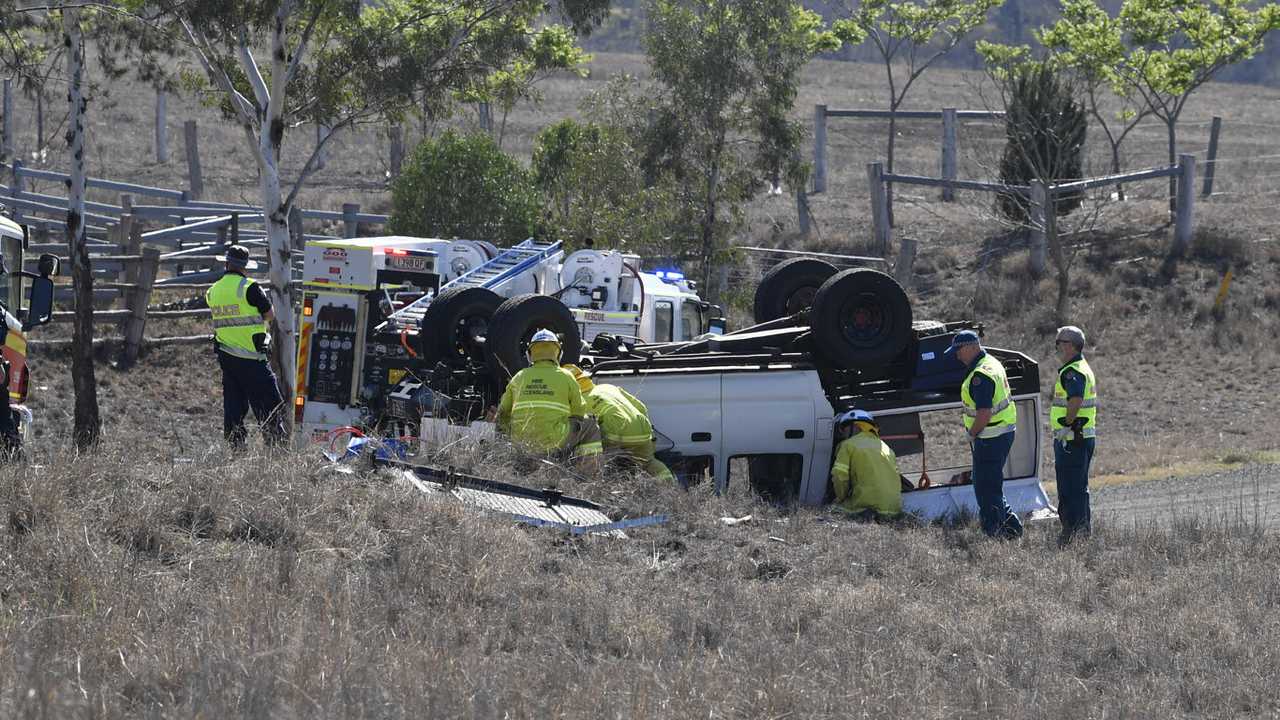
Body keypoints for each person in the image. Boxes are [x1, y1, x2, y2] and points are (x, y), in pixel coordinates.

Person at [206, 245, 286, 448]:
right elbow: (269, 314)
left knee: (234, 408)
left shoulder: (212, 291)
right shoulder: (249, 287)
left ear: (226, 264)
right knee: (270, 405)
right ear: (245, 267)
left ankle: (236, 448)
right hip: (252, 358)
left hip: (227, 358)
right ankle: (276, 450)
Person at [945, 330, 1023, 539]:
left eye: (959, 350)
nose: (957, 355)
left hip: (990, 437)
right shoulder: (991, 362)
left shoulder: (980, 376)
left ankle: (995, 535)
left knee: (986, 489)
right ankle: (1013, 530)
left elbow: (984, 413)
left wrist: (972, 433)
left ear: (971, 347)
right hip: (999, 434)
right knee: (991, 486)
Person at [496, 330, 602, 465]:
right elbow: (579, 410)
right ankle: (587, 473)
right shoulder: (566, 376)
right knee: (590, 424)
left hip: (521, 445)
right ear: (559, 354)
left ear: (529, 355)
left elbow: (503, 412)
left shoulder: (519, 377)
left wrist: (509, 437)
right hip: (554, 442)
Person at [564, 364, 675, 482]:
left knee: (606, 464)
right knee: (648, 462)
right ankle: (671, 486)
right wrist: (648, 432)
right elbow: (641, 407)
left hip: (615, 432)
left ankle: (609, 489)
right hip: (642, 428)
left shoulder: (578, 401)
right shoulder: (607, 387)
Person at [1051, 325, 1097, 544]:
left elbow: (1076, 400)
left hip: (1072, 439)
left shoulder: (1072, 371)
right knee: (1078, 487)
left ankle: (1075, 534)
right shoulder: (1081, 367)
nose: (1058, 348)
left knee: (1071, 489)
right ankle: (1080, 533)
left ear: (1070, 346)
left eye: (1059, 343)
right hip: (1080, 438)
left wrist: (1067, 424)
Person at [830, 409, 903, 520]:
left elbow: (839, 475)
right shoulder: (887, 448)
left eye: (844, 430)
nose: (844, 435)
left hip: (865, 507)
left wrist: (841, 497)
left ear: (855, 427)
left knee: (833, 511)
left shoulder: (848, 445)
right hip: (893, 509)